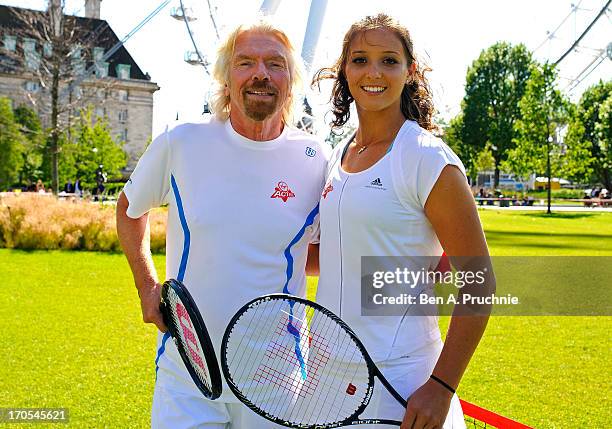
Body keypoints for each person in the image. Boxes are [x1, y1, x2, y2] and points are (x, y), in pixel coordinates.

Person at [116, 20, 329, 429]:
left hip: (277, 379)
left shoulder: (315, 158)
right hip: (188, 370)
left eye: (275, 64)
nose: (261, 74)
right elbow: (129, 209)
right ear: (225, 78)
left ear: (291, 81)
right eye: (245, 62)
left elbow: (313, 255)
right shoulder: (181, 142)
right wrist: (147, 286)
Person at [313, 14, 493, 429]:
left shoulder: (426, 158)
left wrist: (442, 387)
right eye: (360, 59)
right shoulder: (339, 155)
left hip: (403, 384)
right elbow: (338, 259)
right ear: (344, 70)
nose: (373, 73)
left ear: (409, 71)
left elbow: (479, 283)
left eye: (388, 60)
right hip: (327, 381)